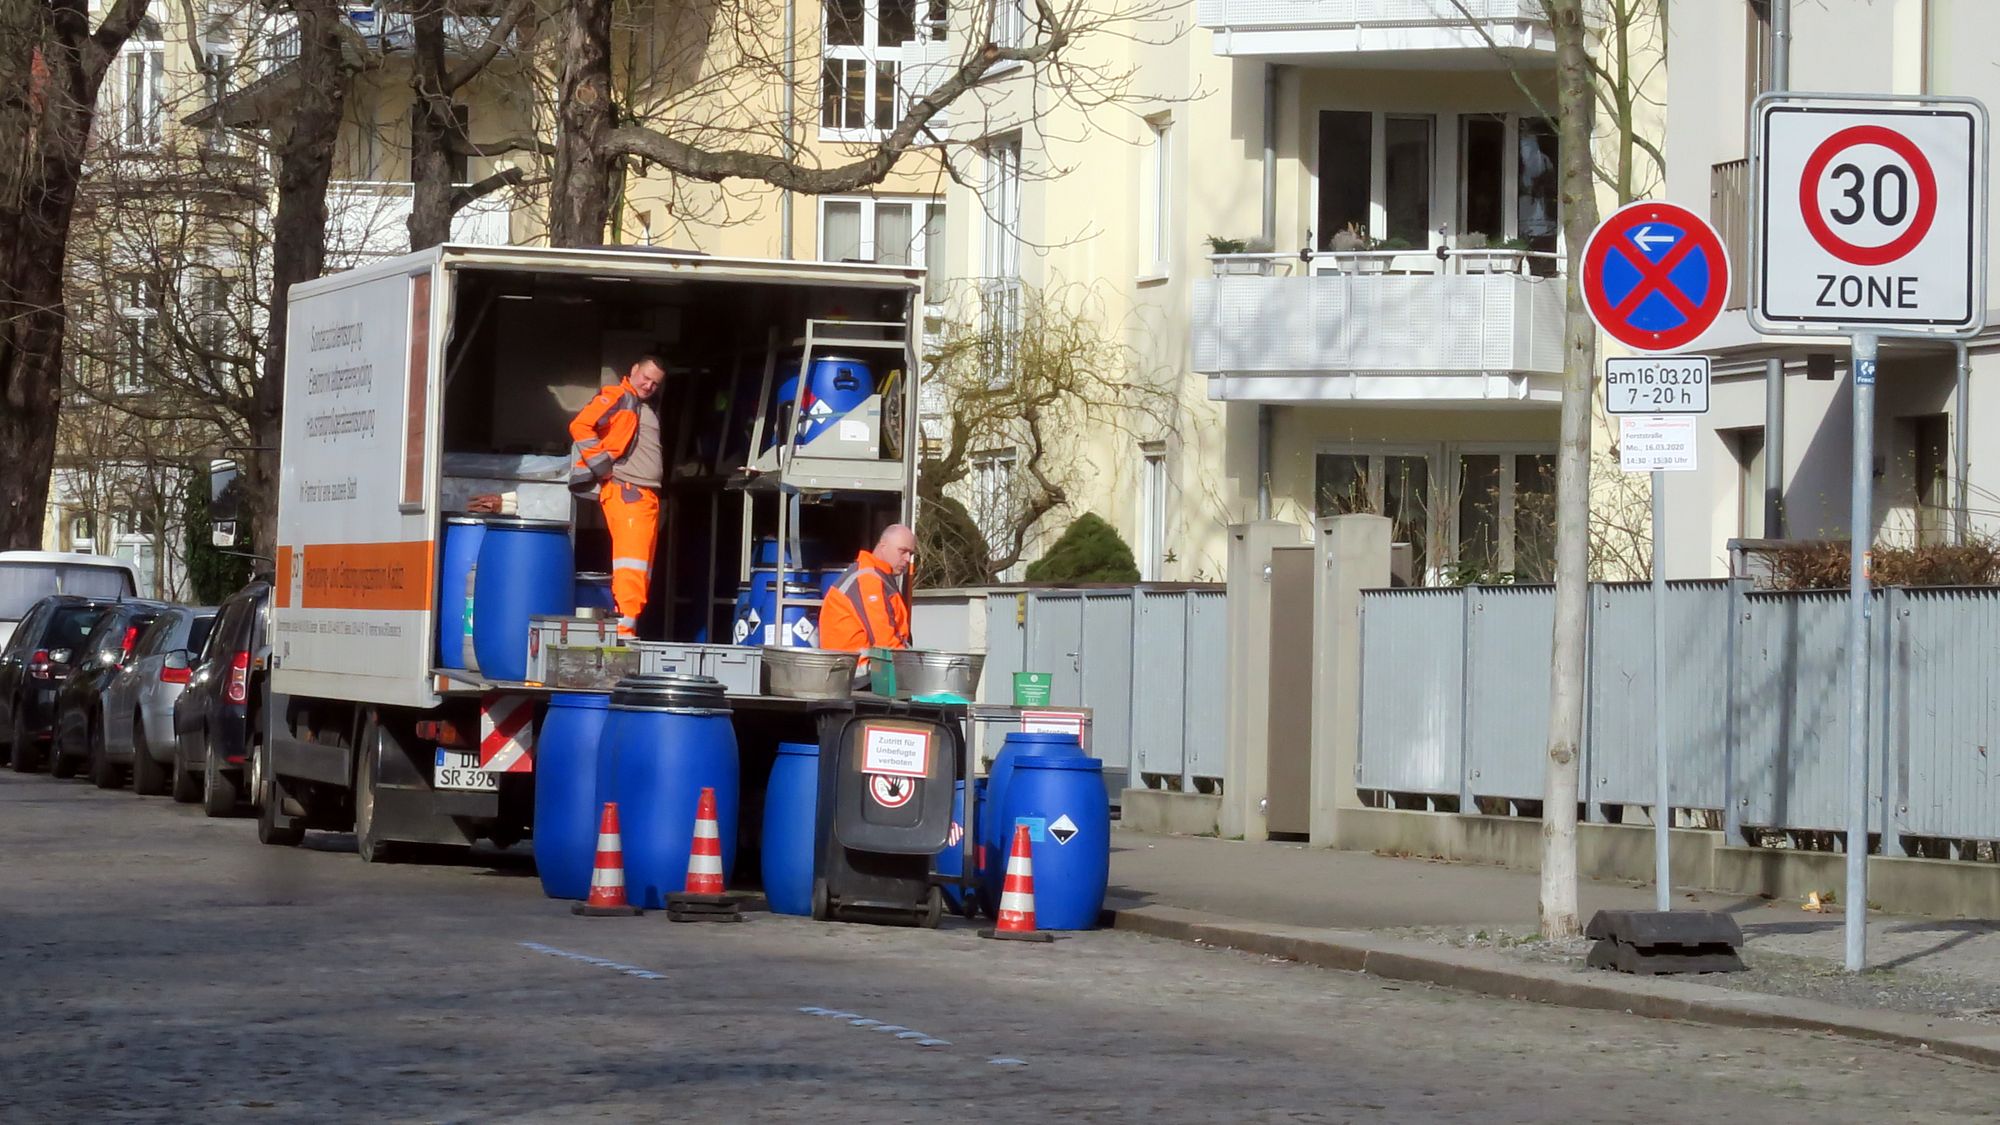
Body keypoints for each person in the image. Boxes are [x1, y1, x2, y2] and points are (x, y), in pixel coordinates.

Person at [568, 354, 667, 639]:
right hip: (628, 492)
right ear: (633, 370)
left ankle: (627, 625)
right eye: (645, 377)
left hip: (643, 495)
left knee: (639, 567)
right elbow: (580, 425)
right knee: (631, 564)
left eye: (655, 383)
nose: (648, 385)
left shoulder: (642, 405)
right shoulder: (619, 396)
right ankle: (624, 630)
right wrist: (600, 465)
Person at [818, 525, 916, 659]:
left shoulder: (880, 577)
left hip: (864, 667)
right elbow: (885, 643)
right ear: (883, 545)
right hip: (856, 672)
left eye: (911, 553)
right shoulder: (868, 580)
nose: (907, 558)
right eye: (903, 551)